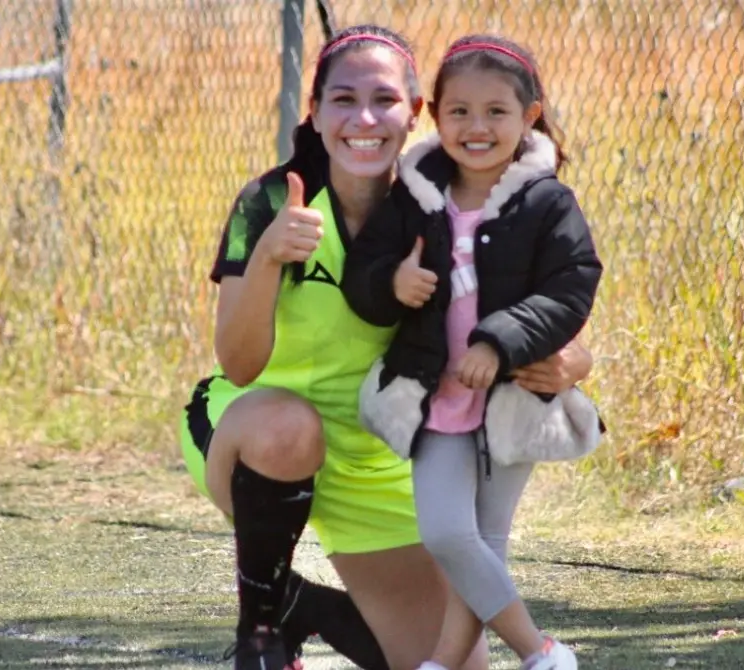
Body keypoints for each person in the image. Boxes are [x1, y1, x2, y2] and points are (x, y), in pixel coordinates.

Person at [177, 24, 595, 670]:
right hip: (257, 429)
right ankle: (260, 629)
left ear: (416, 112)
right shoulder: (270, 200)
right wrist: (268, 255)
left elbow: (548, 310)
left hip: (379, 454)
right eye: (343, 100)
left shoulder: (443, 200)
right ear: (315, 112)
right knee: (289, 428)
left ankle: (304, 607)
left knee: (452, 664)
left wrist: (573, 361)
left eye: (385, 101)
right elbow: (238, 363)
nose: (364, 120)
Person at [340, 34, 602, 670]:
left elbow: (571, 288)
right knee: (447, 533)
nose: (476, 127)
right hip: (435, 397)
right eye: (459, 111)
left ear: (529, 115)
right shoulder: (414, 197)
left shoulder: (548, 202)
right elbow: (364, 271)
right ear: (435, 114)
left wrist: (498, 341)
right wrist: (392, 283)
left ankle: (443, 662)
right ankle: (541, 651)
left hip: (514, 398)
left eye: (496, 112)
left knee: (484, 540)